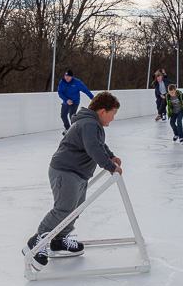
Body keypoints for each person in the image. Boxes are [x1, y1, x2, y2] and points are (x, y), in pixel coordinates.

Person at [23, 92, 123, 275]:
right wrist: (110, 166)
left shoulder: (93, 124)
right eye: (113, 113)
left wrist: (110, 155)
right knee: (63, 209)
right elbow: (93, 148)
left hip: (78, 173)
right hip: (65, 171)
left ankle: (58, 240)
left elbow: (99, 145)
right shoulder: (89, 124)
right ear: (102, 111)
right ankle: (37, 242)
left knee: (75, 209)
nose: (113, 118)